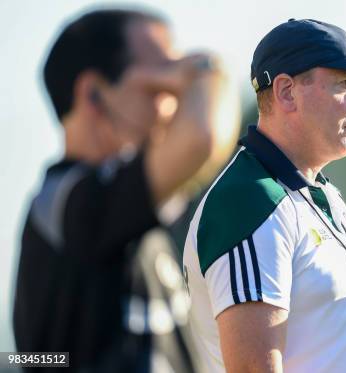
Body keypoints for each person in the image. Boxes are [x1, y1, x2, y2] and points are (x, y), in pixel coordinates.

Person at [182, 18, 346, 372]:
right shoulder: (250, 201)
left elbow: (327, 346)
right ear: (286, 91)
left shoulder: (321, 193)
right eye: (345, 84)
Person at [13, 8, 239, 372]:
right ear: (92, 94)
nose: (173, 105)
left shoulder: (130, 212)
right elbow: (203, 136)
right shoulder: (65, 201)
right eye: (160, 85)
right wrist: (203, 68)